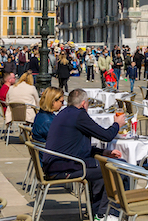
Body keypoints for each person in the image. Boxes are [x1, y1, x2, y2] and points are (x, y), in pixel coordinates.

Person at [43, 89, 124, 221]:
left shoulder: (64, 113)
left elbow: (76, 146)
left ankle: (97, 211)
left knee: (101, 168)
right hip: (63, 167)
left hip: (57, 163)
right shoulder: (79, 115)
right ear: (83, 104)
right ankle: (107, 214)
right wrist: (117, 124)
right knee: (114, 169)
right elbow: (106, 136)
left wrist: (103, 152)